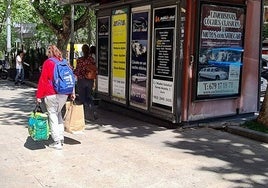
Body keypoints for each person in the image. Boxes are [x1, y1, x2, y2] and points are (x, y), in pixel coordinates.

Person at [36, 45, 75, 150]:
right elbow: (70, 77)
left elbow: (43, 80)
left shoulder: (48, 63)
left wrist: (39, 96)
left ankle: (57, 141)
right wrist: (72, 92)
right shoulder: (64, 62)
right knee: (58, 114)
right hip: (64, 93)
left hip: (51, 93)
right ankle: (61, 138)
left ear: (49, 53)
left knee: (52, 115)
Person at [74, 44, 97, 120]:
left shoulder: (80, 60)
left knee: (82, 99)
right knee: (89, 97)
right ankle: (93, 112)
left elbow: (77, 71)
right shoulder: (91, 59)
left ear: (83, 51)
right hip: (90, 80)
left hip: (81, 81)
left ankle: (83, 115)